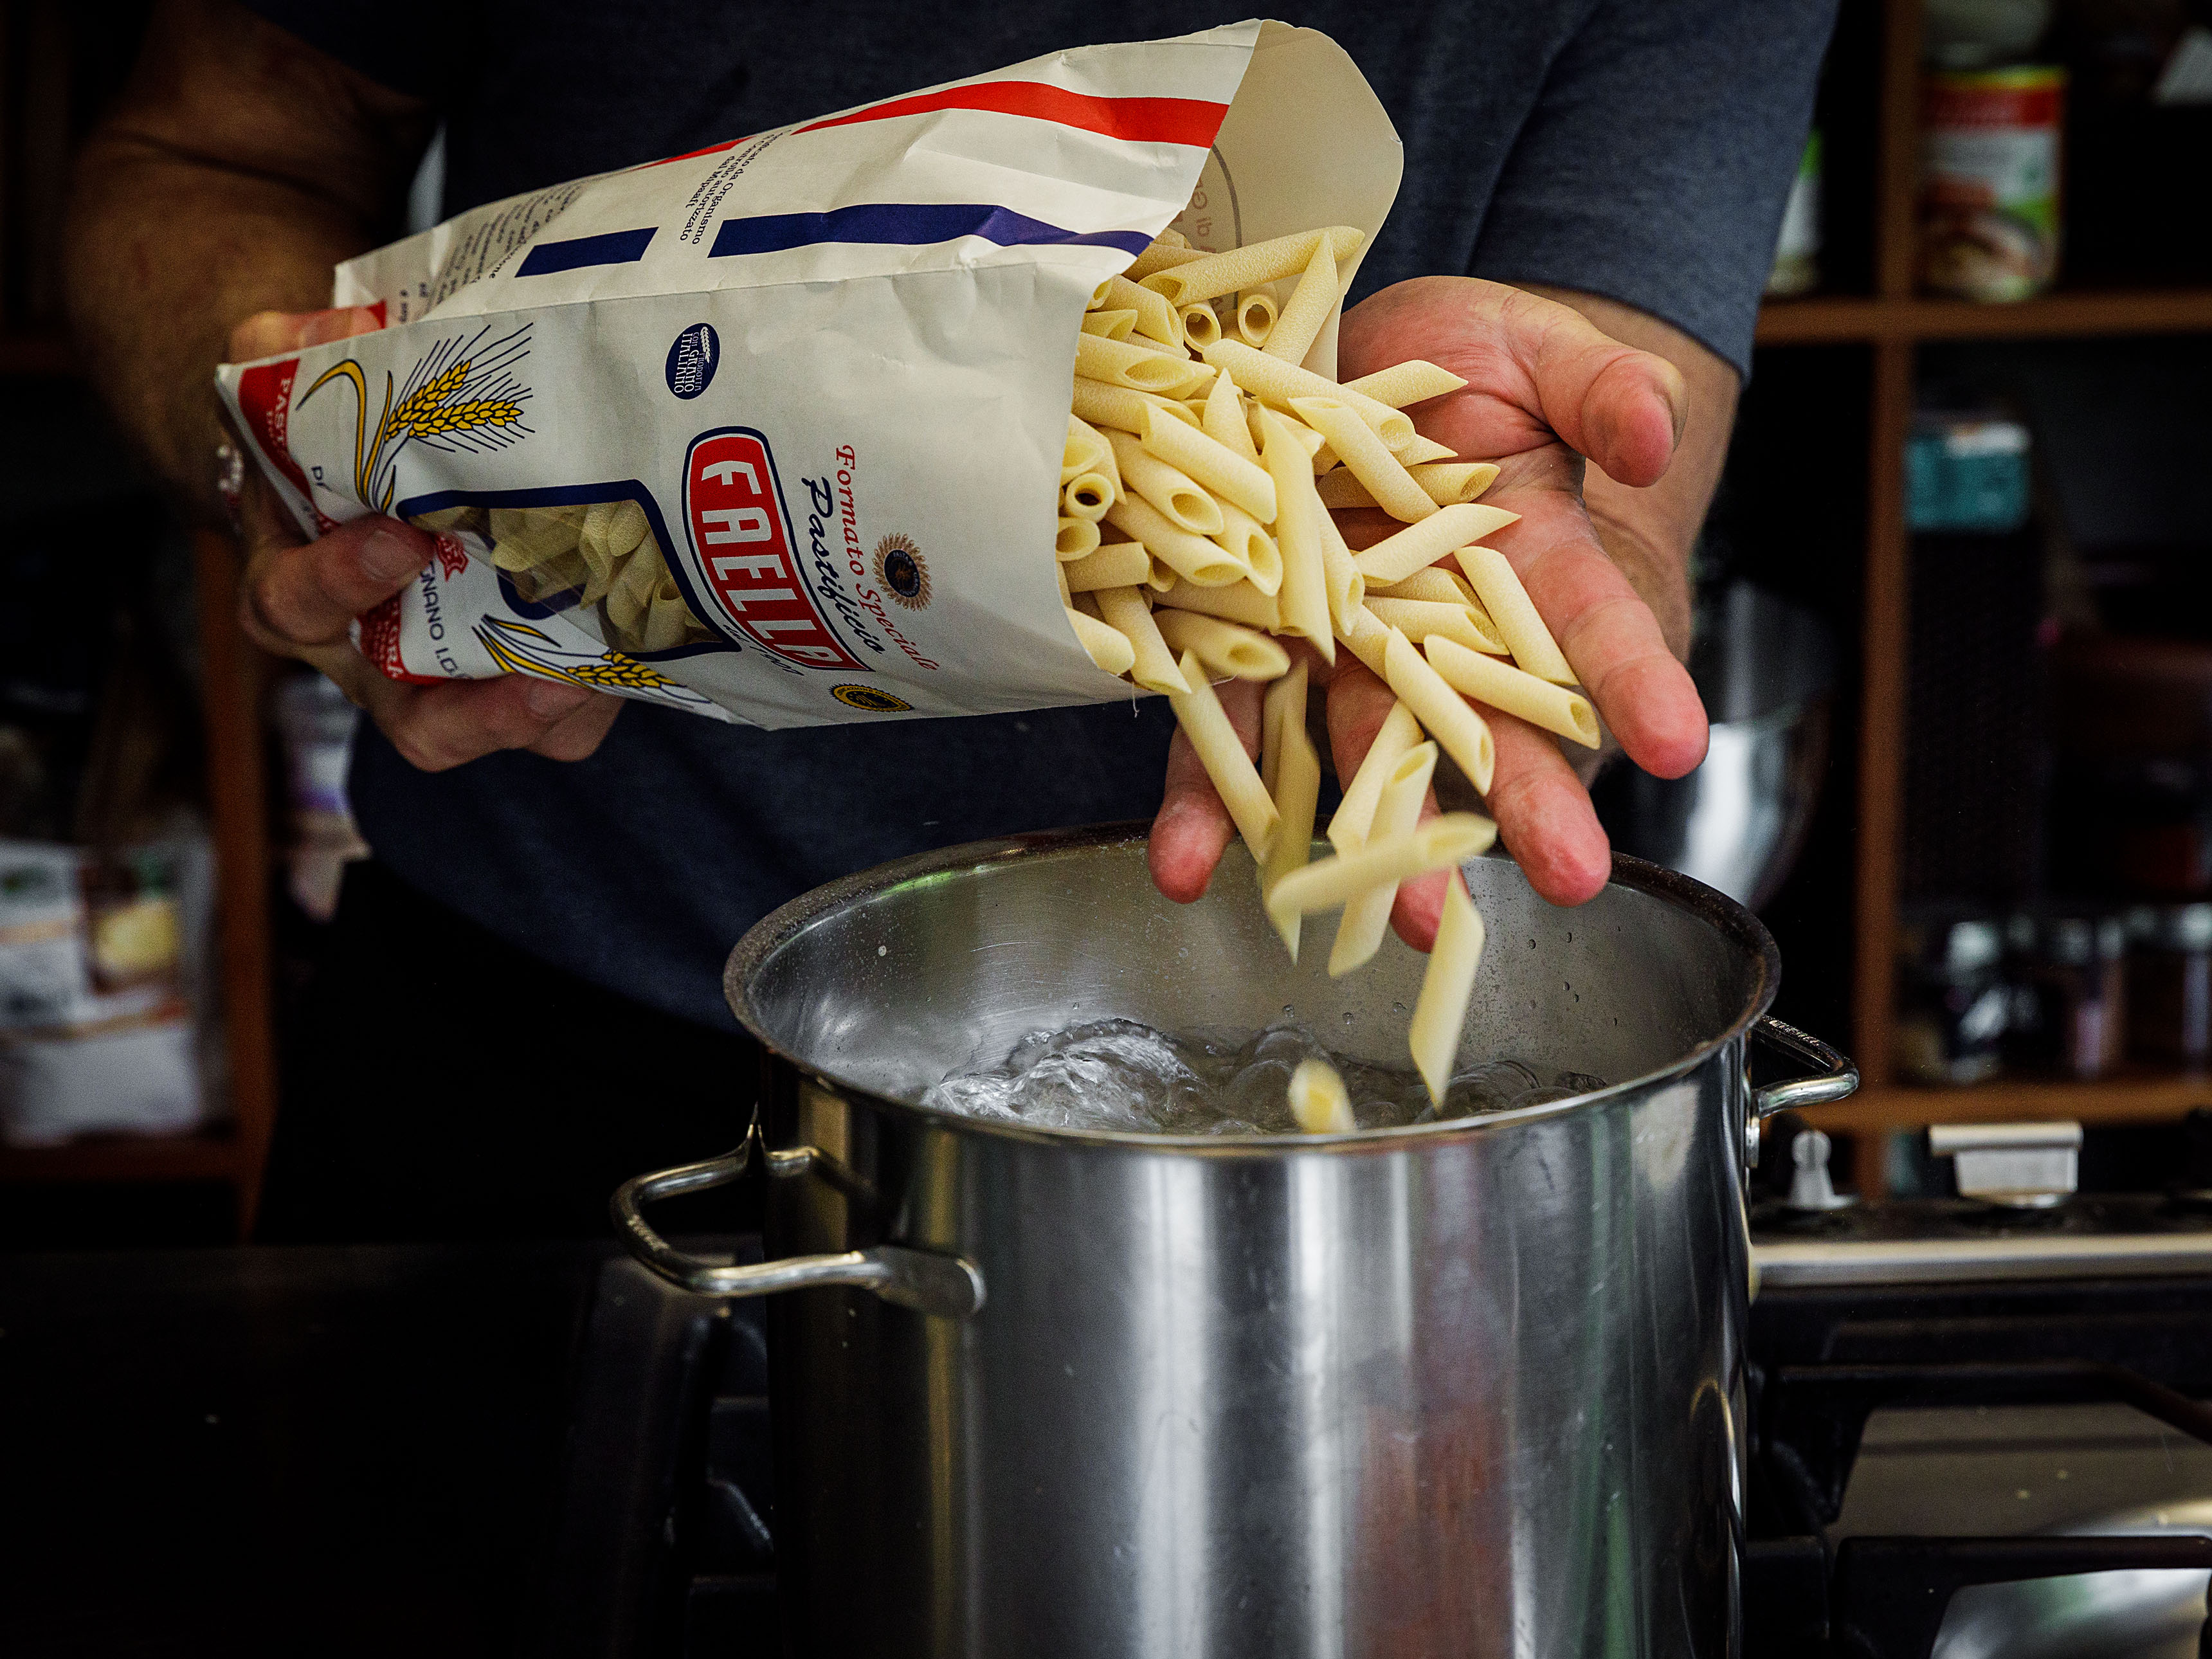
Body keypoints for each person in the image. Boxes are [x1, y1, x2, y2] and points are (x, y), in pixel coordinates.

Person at [66, 0, 1835, 1238]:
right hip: (546, 1062)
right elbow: (201, 155)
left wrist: (1502, 585)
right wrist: (294, 448)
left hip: (1314, 1119)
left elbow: (1609, 444)